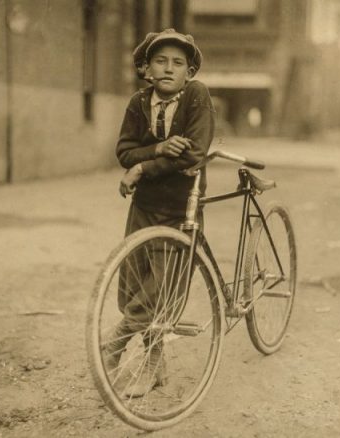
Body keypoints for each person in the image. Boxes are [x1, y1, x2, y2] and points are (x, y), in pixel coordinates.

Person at [104, 29, 215, 398]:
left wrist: (142, 168)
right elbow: (123, 151)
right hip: (144, 205)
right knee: (135, 281)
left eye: (178, 63)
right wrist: (161, 148)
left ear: (189, 71)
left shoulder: (196, 96)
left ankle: (116, 345)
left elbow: (194, 152)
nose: (169, 69)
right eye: (160, 61)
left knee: (161, 287)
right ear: (147, 69)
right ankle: (157, 367)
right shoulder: (139, 103)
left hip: (180, 205)